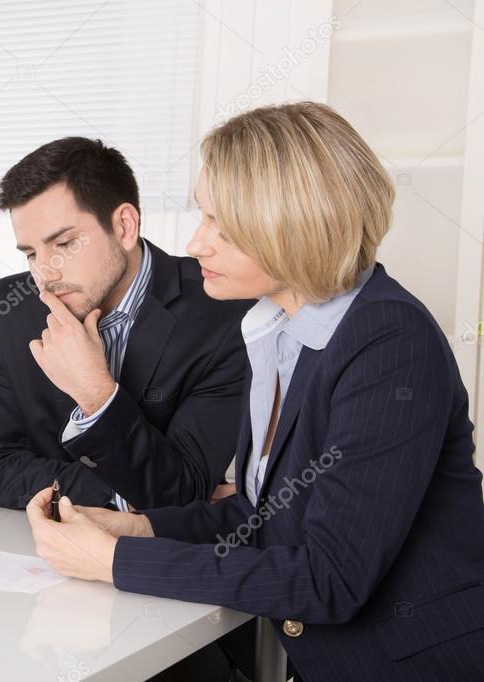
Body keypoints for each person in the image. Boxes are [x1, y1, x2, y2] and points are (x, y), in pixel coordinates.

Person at [27, 102, 484, 680]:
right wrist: (139, 528)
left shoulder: (389, 339)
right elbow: (262, 515)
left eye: (222, 223)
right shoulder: (275, 329)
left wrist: (115, 562)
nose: (196, 244)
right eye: (202, 216)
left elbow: (330, 578)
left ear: (293, 222)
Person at [0, 137, 251, 511]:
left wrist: (96, 394)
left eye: (65, 244)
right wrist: (117, 496)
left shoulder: (223, 313)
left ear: (124, 226)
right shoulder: (11, 307)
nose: (45, 273)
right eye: (32, 253)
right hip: (32, 553)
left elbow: (182, 489)